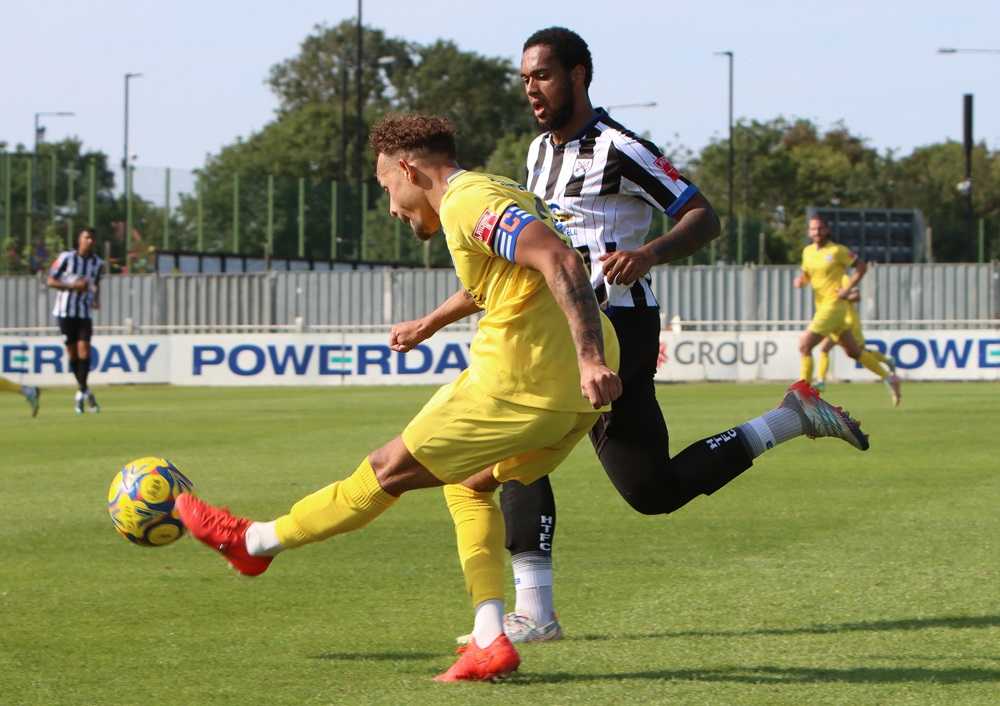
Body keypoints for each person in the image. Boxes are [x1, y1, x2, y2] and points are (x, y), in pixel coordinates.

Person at [388, 27, 871, 648]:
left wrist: (648, 252)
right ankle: (789, 418)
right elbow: (524, 260)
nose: (532, 89)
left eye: (544, 76)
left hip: (617, 323)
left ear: (579, 75)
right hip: (565, 324)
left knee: (513, 445)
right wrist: (432, 321)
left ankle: (534, 614)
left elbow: (703, 215)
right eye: (526, 79)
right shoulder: (537, 154)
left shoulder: (622, 148)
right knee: (652, 491)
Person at [176, 112, 624, 682]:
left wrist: (589, 358)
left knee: (385, 470)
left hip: (524, 379)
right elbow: (498, 277)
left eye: (388, 186)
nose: (391, 206)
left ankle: (254, 541)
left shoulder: (466, 201)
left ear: (410, 170)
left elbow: (560, 262)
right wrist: (431, 323)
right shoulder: (500, 191)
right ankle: (489, 638)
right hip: (573, 398)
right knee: (470, 485)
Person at [795, 216, 900, 406]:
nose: (816, 232)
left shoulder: (837, 251)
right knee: (854, 352)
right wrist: (801, 281)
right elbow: (806, 274)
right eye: (813, 229)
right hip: (826, 308)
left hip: (833, 306)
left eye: (820, 228)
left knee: (804, 345)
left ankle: (803, 395)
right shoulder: (807, 252)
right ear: (809, 232)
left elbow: (861, 266)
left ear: (827, 230)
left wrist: (847, 288)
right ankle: (888, 377)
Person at [47, 227, 104, 413]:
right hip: (65, 313)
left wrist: (95, 297)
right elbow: (50, 281)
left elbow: (95, 283)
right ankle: (85, 391)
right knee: (72, 354)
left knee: (85, 351)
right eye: (86, 237)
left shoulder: (97, 263)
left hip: (84, 313)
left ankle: (81, 392)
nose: (89, 241)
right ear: (79, 240)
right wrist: (73, 286)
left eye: (92, 238)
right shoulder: (66, 258)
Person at [814, 274, 896, 393]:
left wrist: (842, 296)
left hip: (850, 322)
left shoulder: (844, 278)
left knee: (860, 352)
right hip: (837, 321)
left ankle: (887, 366)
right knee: (825, 348)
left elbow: (856, 296)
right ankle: (821, 381)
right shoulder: (827, 280)